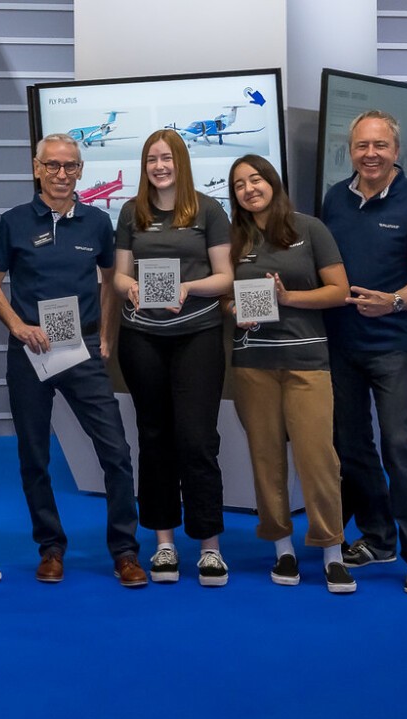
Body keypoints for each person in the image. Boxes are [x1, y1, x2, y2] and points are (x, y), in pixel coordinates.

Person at [0, 133, 147, 588]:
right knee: (33, 455)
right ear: (37, 168)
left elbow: (112, 279)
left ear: (80, 170)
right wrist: (17, 326)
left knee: (115, 451)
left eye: (70, 166)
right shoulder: (14, 222)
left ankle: (125, 551)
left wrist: (108, 338)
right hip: (30, 352)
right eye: (52, 166)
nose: (61, 174)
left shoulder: (97, 221)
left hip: (82, 349)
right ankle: (50, 547)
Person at [321, 110, 407, 595]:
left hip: (391, 345)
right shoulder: (333, 199)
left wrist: (391, 302)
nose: (370, 154)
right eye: (361, 146)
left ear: (396, 151)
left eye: (380, 146)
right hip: (339, 346)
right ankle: (377, 538)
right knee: (351, 448)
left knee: (398, 445)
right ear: (350, 151)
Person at [224, 154, 355, 593]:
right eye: (239, 184)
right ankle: (283, 549)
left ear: (272, 182)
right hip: (253, 366)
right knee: (266, 460)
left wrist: (289, 298)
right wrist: (235, 311)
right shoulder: (234, 238)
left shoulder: (309, 229)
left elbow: (339, 291)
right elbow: (225, 299)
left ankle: (332, 551)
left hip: (306, 363)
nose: (249, 189)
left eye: (255, 179)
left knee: (318, 459)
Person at [111, 128, 234, 586]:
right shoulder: (130, 212)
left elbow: (225, 276)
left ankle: (209, 546)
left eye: (167, 158)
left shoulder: (209, 210)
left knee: (198, 439)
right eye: (151, 160)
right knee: (154, 436)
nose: (159, 167)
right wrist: (134, 288)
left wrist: (188, 287)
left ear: (181, 162)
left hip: (196, 336)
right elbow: (119, 278)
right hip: (141, 338)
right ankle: (163, 543)